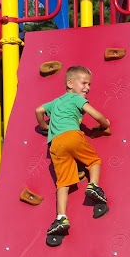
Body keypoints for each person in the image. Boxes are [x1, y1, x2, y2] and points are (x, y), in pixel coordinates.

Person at [35, 65, 111, 235]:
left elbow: (38, 110)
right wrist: (105, 123)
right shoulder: (76, 98)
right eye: (84, 83)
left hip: (55, 145)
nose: (88, 88)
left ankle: (61, 217)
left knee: (63, 183)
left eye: (89, 84)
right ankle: (93, 185)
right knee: (93, 161)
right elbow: (95, 114)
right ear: (70, 83)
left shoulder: (55, 102)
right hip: (72, 136)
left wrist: (44, 125)